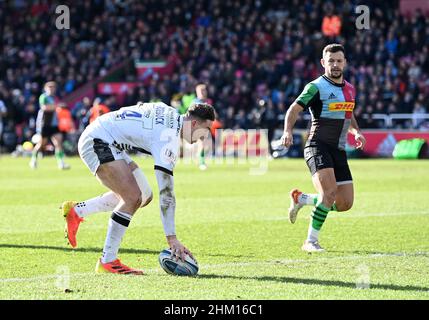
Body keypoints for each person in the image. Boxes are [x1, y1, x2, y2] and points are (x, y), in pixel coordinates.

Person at [61, 101, 215, 274]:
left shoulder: (168, 110)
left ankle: (78, 211)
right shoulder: (168, 141)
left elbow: (140, 105)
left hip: (108, 137)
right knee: (132, 197)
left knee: (144, 194)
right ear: (194, 124)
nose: (206, 136)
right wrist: (172, 239)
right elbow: (167, 193)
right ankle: (108, 261)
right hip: (98, 140)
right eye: (206, 129)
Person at [281, 44, 366, 253]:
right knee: (328, 193)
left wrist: (356, 132)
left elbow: (350, 113)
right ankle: (310, 241)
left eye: (339, 60)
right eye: (331, 61)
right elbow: (294, 109)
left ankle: (302, 199)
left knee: (345, 202)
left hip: (338, 150)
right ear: (323, 63)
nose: (335, 65)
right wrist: (287, 131)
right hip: (317, 146)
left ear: (344, 62)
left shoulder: (350, 89)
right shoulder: (316, 87)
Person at [30, 81, 70, 169]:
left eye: (53, 87)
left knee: (58, 142)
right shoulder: (44, 97)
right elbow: (45, 108)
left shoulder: (55, 98)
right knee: (41, 144)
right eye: (50, 87)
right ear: (45, 88)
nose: (51, 89)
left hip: (54, 124)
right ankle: (33, 159)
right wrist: (57, 106)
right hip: (45, 123)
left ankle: (61, 163)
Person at [192, 84, 214, 170]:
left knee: (208, 145)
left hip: (205, 126)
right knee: (202, 143)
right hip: (197, 126)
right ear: (197, 92)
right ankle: (201, 163)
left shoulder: (208, 102)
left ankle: (200, 159)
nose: (202, 93)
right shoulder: (195, 102)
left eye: (204, 91)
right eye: (200, 91)